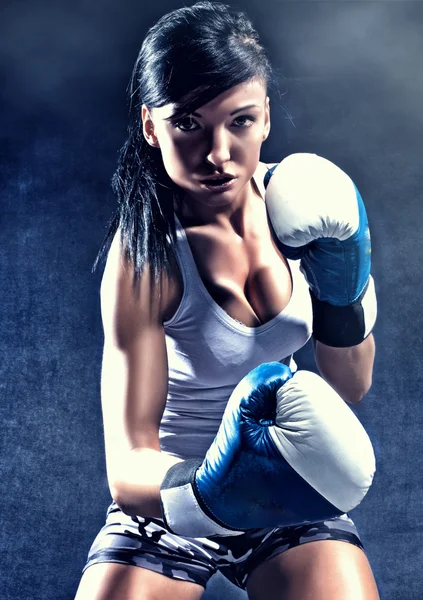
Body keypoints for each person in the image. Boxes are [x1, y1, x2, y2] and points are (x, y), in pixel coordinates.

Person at [74, 2, 379, 599]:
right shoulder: (146, 255)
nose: (218, 153)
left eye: (240, 121)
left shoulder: (306, 204)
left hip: (283, 483)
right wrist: (212, 488)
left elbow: (350, 386)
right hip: (175, 496)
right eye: (188, 123)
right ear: (150, 126)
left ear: (265, 118)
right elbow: (127, 462)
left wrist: (344, 284)